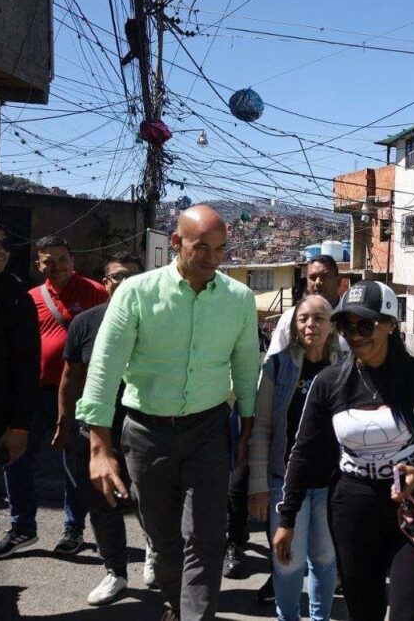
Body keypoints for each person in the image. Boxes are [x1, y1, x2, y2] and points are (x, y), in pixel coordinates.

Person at [76, 205, 260, 621]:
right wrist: (98, 447)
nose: (213, 259)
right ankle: (179, 605)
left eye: (221, 249)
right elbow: (103, 370)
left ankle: (195, 616)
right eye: (202, 248)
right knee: (162, 540)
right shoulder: (136, 292)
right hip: (146, 433)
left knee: (206, 536)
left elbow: (246, 367)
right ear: (176, 243)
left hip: (209, 429)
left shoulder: (239, 299)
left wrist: (248, 430)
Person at [276, 280, 414, 621]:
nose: (355, 334)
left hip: (412, 507)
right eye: (345, 325)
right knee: (363, 611)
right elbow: (304, 453)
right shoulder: (329, 383)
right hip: (353, 509)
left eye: (365, 325)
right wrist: (287, 517)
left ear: (389, 325)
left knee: (408, 613)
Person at [52, 251, 156, 605]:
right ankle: (115, 571)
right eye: (116, 277)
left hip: (146, 426)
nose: (124, 283)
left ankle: (154, 549)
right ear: (105, 282)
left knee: (149, 499)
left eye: (132, 276)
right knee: (102, 502)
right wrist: (65, 422)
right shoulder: (86, 323)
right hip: (96, 429)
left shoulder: (158, 321)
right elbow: (70, 378)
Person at [0, 236, 108, 559]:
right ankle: (22, 528)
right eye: (48, 260)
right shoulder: (30, 298)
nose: (55, 266)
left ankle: (73, 530)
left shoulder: (94, 293)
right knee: (14, 458)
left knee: (73, 465)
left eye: (62, 258)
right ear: (38, 265)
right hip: (35, 392)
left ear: (73, 259)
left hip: (78, 394)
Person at [253, 253, 345, 605]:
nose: (311, 325)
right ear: (294, 324)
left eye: (319, 319)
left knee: (324, 561)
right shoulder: (277, 367)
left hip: (330, 483)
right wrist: (258, 485)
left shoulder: (344, 369)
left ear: (332, 325)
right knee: (287, 563)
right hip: (284, 480)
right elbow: (263, 428)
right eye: (303, 319)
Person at [0, 219, 39, 621]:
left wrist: (19, 426)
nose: (2, 249)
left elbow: (26, 369)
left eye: (6, 243)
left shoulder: (17, 300)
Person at [266, 255, 343, 358]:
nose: (318, 282)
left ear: (338, 281)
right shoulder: (289, 317)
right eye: (312, 277)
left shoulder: (350, 316)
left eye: (324, 276)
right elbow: (273, 361)